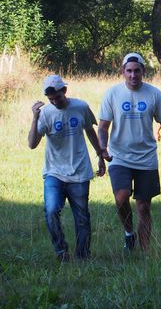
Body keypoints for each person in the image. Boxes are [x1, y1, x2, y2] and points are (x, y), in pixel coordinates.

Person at [98, 53, 161, 251]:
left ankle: (144, 252)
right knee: (121, 198)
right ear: (123, 72)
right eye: (128, 71)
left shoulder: (153, 94)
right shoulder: (112, 94)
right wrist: (102, 148)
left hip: (146, 158)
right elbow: (103, 126)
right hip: (119, 156)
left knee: (144, 207)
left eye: (137, 71)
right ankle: (129, 233)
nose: (133, 75)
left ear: (143, 72)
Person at [27, 75, 105, 261]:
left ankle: (83, 255)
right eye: (51, 99)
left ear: (64, 91)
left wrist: (100, 155)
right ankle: (62, 252)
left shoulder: (80, 107)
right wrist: (35, 118)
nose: (54, 102)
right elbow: (32, 144)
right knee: (52, 210)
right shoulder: (45, 113)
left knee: (82, 217)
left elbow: (90, 131)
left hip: (79, 172)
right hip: (54, 173)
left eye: (57, 97)